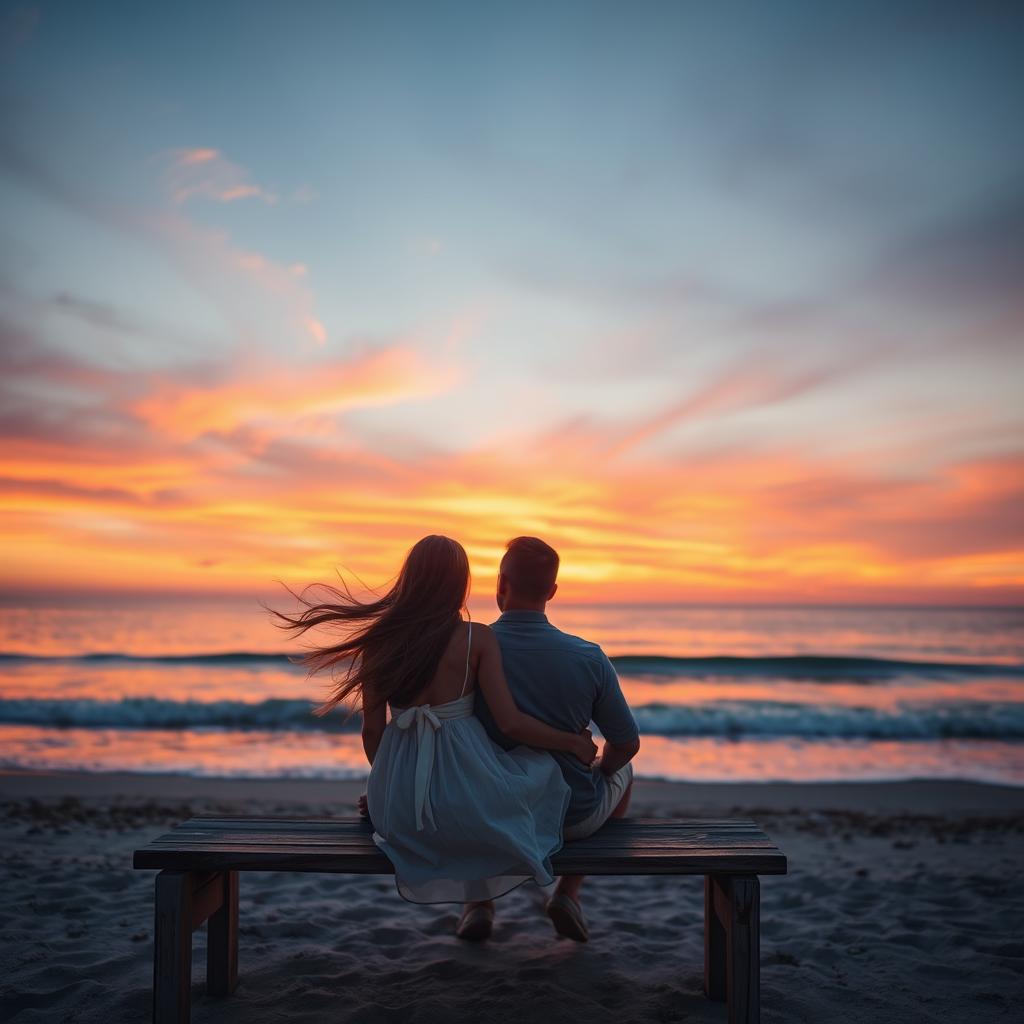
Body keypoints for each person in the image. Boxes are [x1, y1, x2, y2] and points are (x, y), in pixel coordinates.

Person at [264, 534, 597, 919]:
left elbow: (373, 734)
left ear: (410, 579)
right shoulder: (477, 637)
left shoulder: (380, 642)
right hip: (468, 797)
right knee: (543, 773)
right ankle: (530, 898)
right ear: (461, 584)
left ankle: (478, 908)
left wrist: (390, 788)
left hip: (400, 811)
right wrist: (571, 742)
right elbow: (511, 722)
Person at [470, 536, 641, 943]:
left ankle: (478, 903)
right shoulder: (587, 656)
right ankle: (568, 893)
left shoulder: (471, 652)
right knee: (626, 771)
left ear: (500, 584)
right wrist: (601, 767)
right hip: (571, 817)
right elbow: (626, 742)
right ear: (551, 592)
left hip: (492, 813)